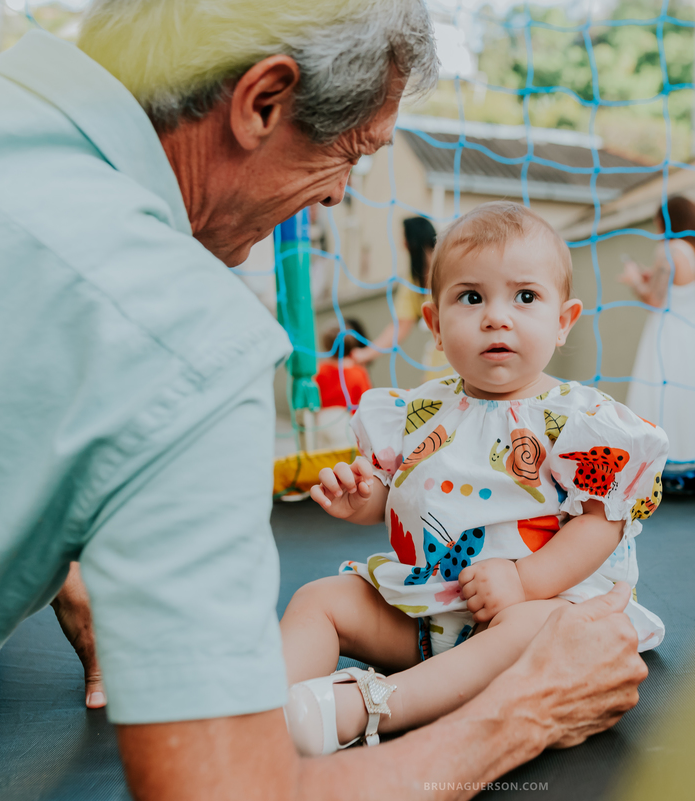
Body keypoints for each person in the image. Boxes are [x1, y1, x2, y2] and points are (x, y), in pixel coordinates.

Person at [0, 3, 649, 799]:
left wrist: (55, 550)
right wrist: (524, 713)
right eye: (349, 155)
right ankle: (350, 705)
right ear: (261, 103)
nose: (336, 197)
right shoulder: (189, 346)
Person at [287, 202, 669, 754]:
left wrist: (525, 582)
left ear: (563, 321)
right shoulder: (417, 411)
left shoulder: (580, 421)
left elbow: (601, 523)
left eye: (525, 297)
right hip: (426, 613)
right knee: (319, 599)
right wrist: (364, 499)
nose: (496, 317)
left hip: (527, 619)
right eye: (471, 298)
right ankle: (265, 714)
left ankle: (368, 708)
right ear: (436, 326)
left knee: (546, 625)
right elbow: (397, 496)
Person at [620, 195, 695, 463]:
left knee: (662, 402)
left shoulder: (669, 249)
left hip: (669, 341)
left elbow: (654, 300)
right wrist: (651, 274)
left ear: (667, 221)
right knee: (691, 405)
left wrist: (634, 279)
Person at [354, 215, 452, 381]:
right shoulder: (413, 282)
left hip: (464, 365)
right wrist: (366, 354)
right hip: (439, 368)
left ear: (412, 242)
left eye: (404, 238)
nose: (402, 244)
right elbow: (400, 326)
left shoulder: (452, 267)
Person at [310, 320, 372, 450]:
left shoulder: (319, 369)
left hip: (321, 419)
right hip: (344, 419)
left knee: (322, 454)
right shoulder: (358, 371)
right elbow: (364, 399)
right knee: (344, 454)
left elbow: (313, 395)